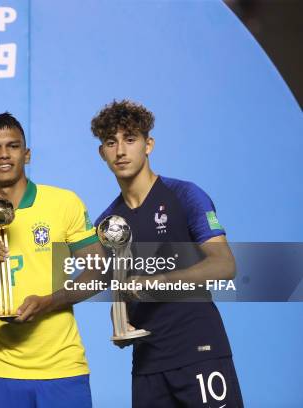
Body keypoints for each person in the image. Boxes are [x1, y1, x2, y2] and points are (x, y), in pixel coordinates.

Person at [91, 100, 243, 407]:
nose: (121, 150)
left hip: (200, 352)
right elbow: (121, 292)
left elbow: (225, 265)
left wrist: (155, 280)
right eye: (111, 142)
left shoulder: (185, 195)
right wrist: (119, 323)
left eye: (130, 139)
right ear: (102, 153)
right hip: (147, 365)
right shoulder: (107, 223)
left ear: (148, 145)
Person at [0, 112, 102, 408]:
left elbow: (98, 271)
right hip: (1, 372)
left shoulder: (63, 203)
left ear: (26, 154)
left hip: (64, 368)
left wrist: (49, 302)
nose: (4, 155)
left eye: (13, 146)